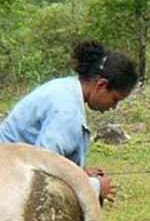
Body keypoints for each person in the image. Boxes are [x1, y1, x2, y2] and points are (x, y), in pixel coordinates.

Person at [0, 40, 138, 202]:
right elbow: (44, 171)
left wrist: (80, 171)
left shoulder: (64, 88)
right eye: (114, 99)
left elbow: (51, 157)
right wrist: (94, 186)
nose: (113, 107)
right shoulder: (67, 112)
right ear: (101, 85)